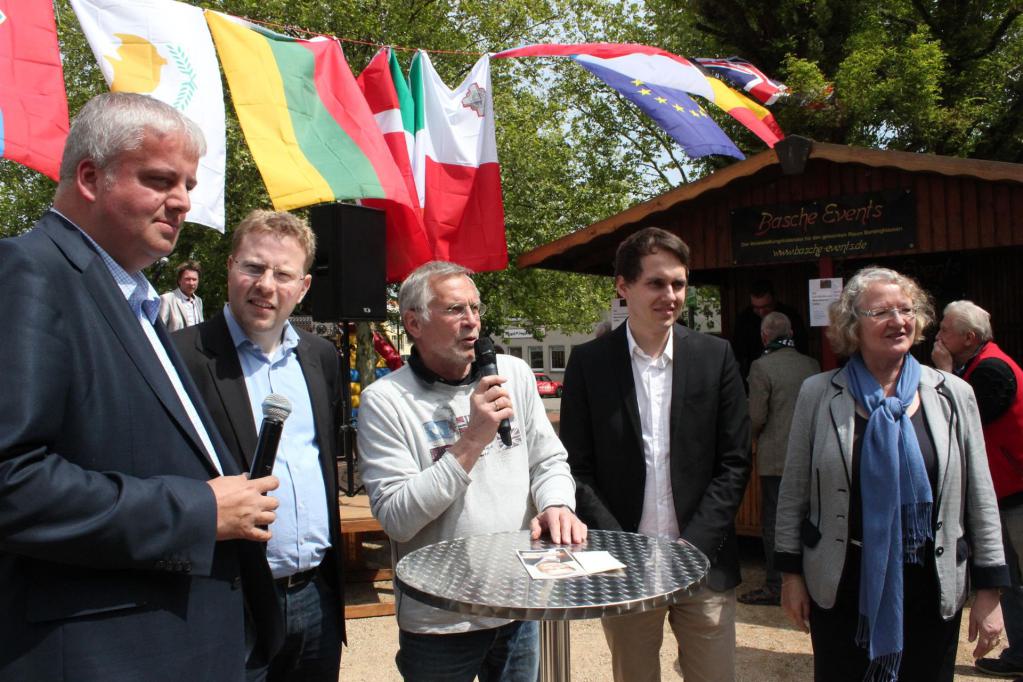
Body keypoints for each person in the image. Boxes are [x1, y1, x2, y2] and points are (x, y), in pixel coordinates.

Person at [0, 92, 280, 681]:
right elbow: (12, 484)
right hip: (107, 655)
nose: (181, 202)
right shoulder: (28, 274)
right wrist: (198, 509)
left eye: (187, 185)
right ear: (89, 177)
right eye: (158, 180)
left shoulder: (131, 298)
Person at [775, 267, 1008, 681]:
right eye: (881, 312)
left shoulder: (953, 394)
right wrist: (791, 576)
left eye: (906, 309)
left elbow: (980, 495)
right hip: (843, 581)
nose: (898, 321)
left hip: (929, 583)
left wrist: (990, 589)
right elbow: (794, 490)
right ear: (852, 325)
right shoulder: (818, 393)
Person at [357, 261, 586, 682]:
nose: (472, 323)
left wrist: (557, 503)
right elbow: (397, 519)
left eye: (475, 309)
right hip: (441, 619)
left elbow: (548, 460)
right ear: (414, 323)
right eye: (454, 310)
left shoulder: (512, 373)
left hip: (519, 602)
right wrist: (472, 440)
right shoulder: (384, 400)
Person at [559, 227, 751, 682]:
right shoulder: (589, 363)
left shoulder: (716, 356)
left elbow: (734, 461)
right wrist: (621, 547)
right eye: (656, 283)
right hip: (623, 566)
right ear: (623, 287)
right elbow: (577, 469)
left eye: (679, 283)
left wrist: (695, 547)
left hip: (704, 563)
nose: (671, 295)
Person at [173, 210, 346, 681]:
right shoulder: (179, 357)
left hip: (316, 599)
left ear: (304, 286)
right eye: (253, 267)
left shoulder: (322, 357)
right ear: (230, 267)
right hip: (229, 601)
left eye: (283, 274)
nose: (266, 285)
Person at [932, 300, 1023, 679]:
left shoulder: (991, 371)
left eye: (945, 330)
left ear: (968, 338)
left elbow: (959, 423)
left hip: (1016, 491)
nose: (938, 334)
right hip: (1007, 490)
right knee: (1014, 579)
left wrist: (943, 374)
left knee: (1018, 578)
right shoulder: (979, 364)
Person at [738, 311, 819, 607]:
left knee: (774, 523)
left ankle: (775, 584)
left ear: (764, 336)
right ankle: (809, 579)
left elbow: (756, 416)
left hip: (775, 459)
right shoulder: (811, 365)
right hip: (810, 457)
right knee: (807, 519)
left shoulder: (762, 367)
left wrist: (743, 442)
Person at [732, 279, 809, 382]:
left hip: (788, 374)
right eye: (756, 307)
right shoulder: (744, 320)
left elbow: (801, 346)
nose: (761, 312)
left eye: (765, 307)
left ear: (774, 300)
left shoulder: (790, 316)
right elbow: (738, 354)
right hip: (755, 376)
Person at [159, 259, 204, 330]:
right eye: (187, 279)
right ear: (179, 280)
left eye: (194, 279)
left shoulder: (198, 301)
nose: (191, 283)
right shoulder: (167, 299)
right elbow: (160, 329)